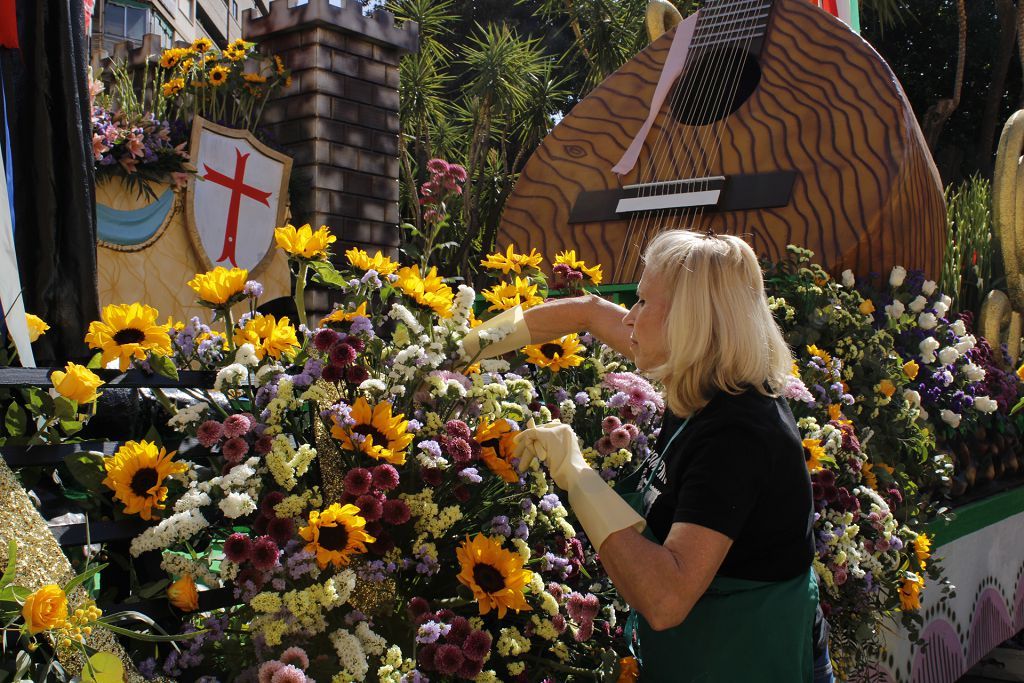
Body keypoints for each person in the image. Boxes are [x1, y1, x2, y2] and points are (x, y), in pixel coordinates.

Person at [461, 230, 834, 682]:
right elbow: (589, 313)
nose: (630, 319)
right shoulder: (704, 371)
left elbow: (665, 599)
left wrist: (576, 474)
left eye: (642, 303)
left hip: (749, 657)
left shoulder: (739, 435)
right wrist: (468, 345)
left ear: (689, 322)